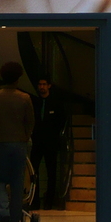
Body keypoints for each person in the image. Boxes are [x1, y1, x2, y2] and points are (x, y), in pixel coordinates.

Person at [0, 61, 34, 222]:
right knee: (17, 182)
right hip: (19, 144)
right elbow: (30, 123)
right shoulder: (25, 98)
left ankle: (2, 211)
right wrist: (23, 138)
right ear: (18, 78)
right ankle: (14, 221)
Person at [30, 76, 68, 210]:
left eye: (44, 84)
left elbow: (61, 120)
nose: (41, 87)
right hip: (36, 141)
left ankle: (49, 201)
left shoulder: (55, 102)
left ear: (49, 86)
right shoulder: (35, 102)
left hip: (51, 141)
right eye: (40, 84)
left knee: (51, 172)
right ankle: (34, 200)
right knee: (34, 172)